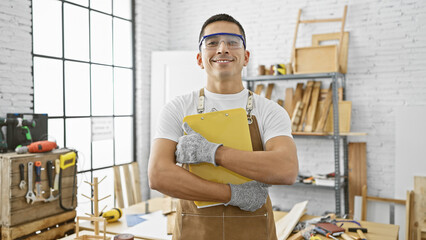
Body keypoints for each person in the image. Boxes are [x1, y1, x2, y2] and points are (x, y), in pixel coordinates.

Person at [148, 13, 298, 240]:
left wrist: (213, 152)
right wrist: (233, 194)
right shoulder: (177, 108)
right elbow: (158, 175)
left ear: (246, 57)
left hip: (254, 230)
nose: (222, 49)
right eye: (212, 43)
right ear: (199, 59)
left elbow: (286, 169)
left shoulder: (270, 110)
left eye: (232, 42)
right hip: (194, 230)